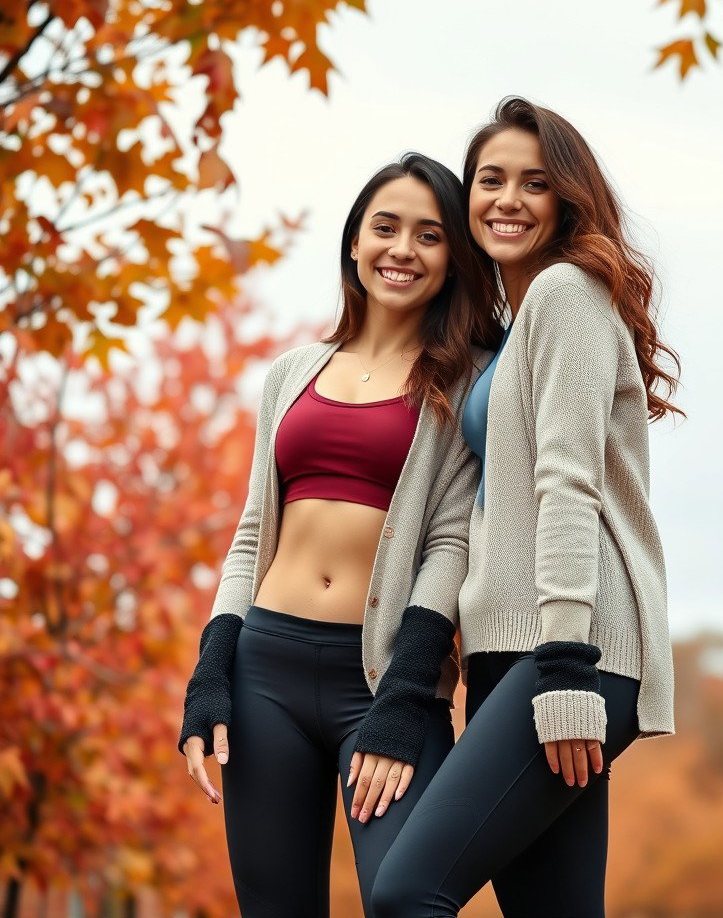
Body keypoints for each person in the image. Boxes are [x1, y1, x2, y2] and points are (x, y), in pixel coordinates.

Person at [370, 98, 682, 918]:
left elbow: (568, 484)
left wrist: (567, 666)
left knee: (408, 893)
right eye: (490, 179)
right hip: (511, 652)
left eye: (533, 183)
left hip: (570, 652)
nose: (506, 199)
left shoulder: (567, 295)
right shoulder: (508, 331)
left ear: (566, 200)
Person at [177, 153, 500, 918]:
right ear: (354, 243)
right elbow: (255, 531)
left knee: (406, 900)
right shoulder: (292, 372)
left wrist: (403, 697)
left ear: (454, 256)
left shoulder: (468, 379)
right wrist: (210, 671)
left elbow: (452, 545)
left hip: (386, 677)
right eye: (385, 228)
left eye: (429, 235)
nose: (403, 250)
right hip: (266, 672)